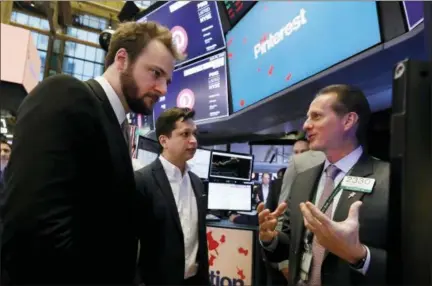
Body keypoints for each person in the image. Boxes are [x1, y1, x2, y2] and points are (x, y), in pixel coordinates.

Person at [1, 21, 182, 285]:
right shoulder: (65, 94)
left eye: (167, 80)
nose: (163, 89)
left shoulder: (115, 125)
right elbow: (32, 232)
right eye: (155, 73)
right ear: (122, 59)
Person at [258, 84, 389, 286]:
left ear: (348, 121)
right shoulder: (304, 178)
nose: (306, 125)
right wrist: (271, 238)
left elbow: (414, 263)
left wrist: (359, 256)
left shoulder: (387, 179)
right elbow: (293, 243)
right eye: (308, 117)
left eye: (316, 116)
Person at [134, 108, 210, 285]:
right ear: (164, 140)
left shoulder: (197, 183)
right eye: (185, 134)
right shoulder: (143, 181)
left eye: (194, 134)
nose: (193, 140)